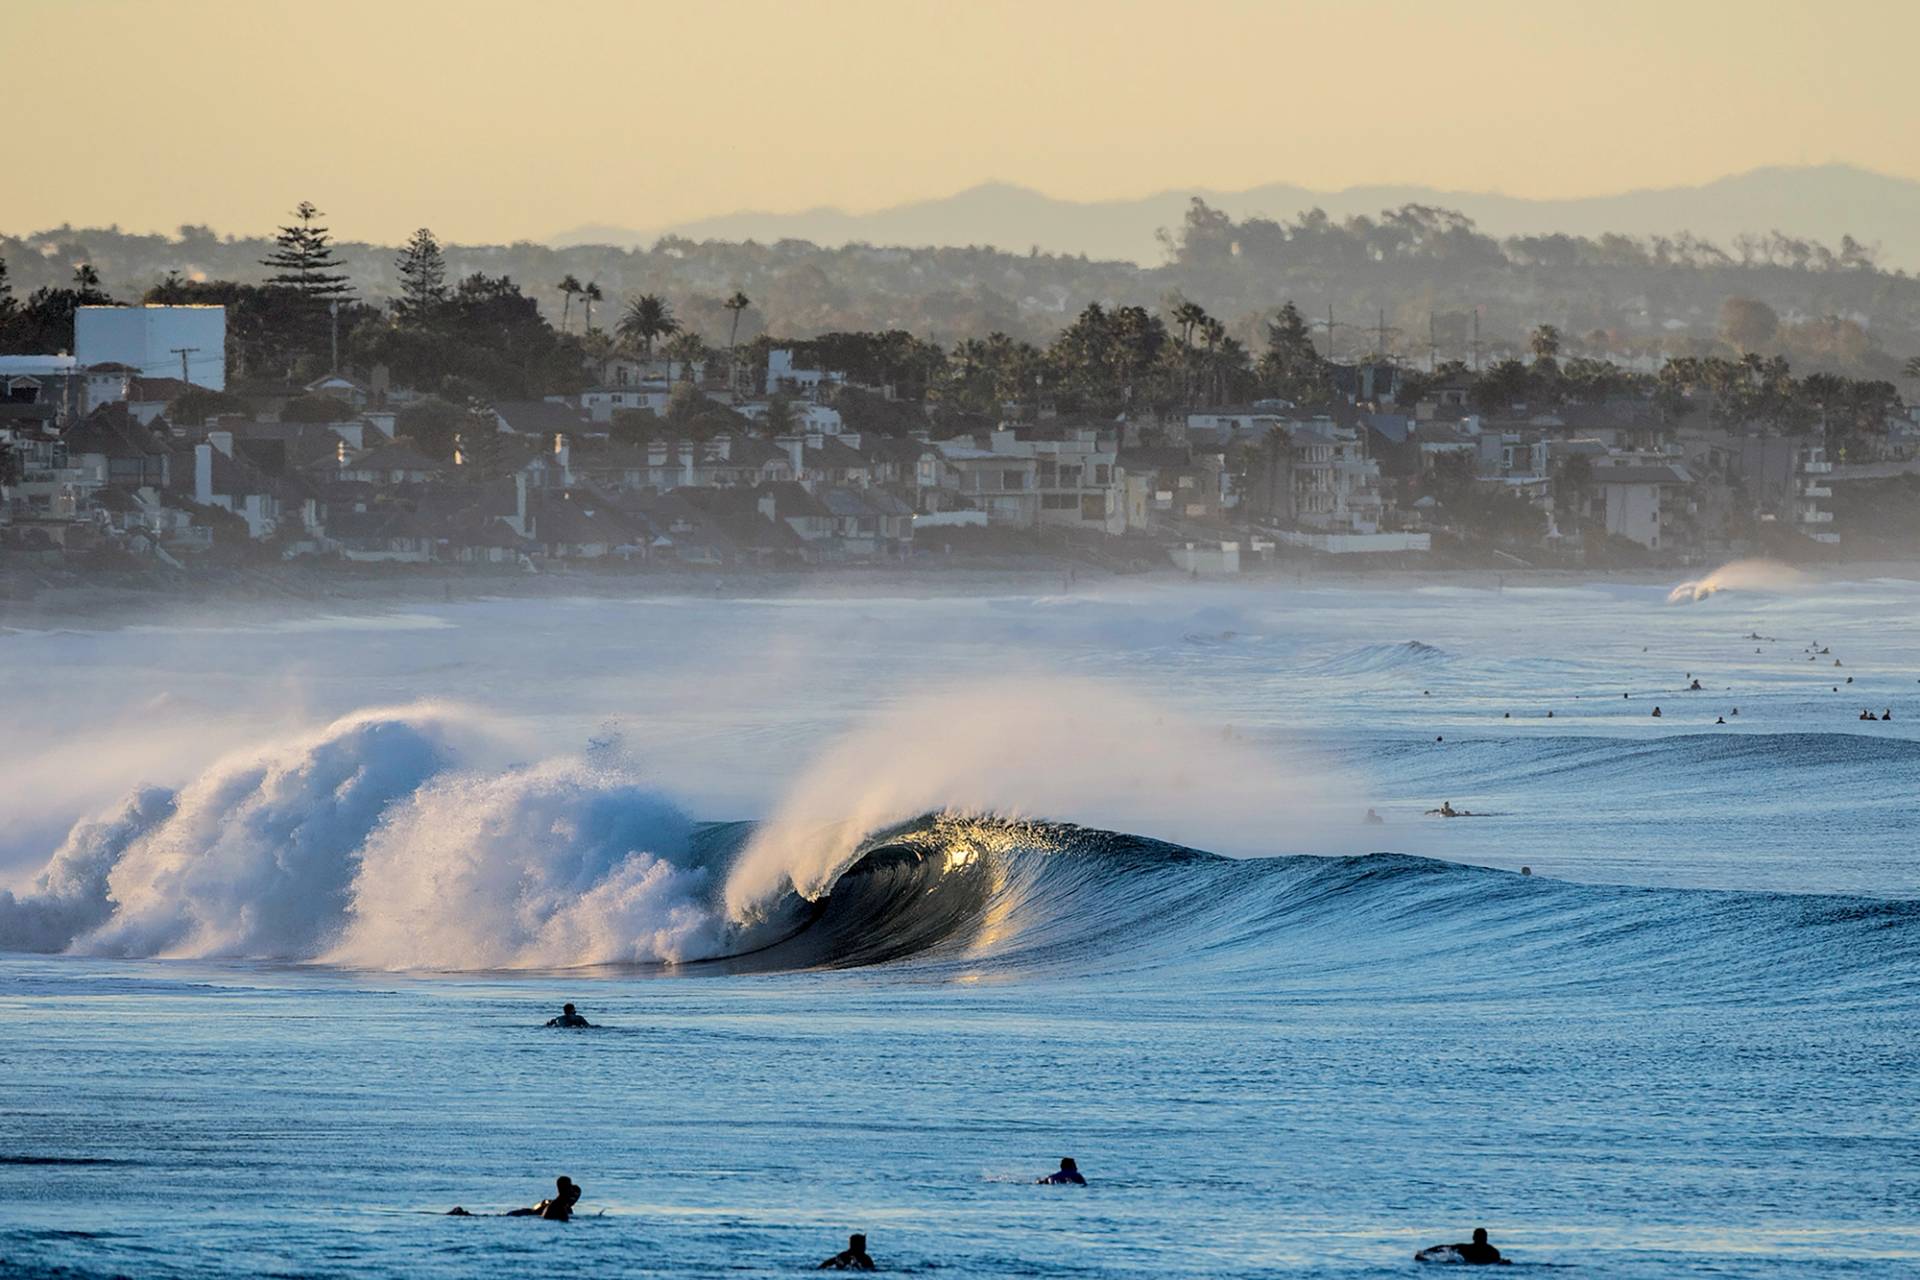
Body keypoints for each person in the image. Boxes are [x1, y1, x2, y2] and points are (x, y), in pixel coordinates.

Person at [1416, 1227, 1508, 1265]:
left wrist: (1425, 1251)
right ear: (1486, 1238)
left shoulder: (1466, 1248)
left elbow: (1444, 1247)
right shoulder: (1494, 1252)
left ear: (1473, 1237)